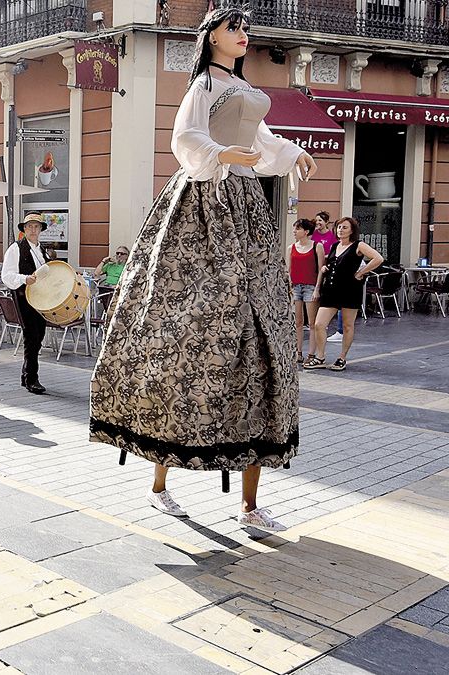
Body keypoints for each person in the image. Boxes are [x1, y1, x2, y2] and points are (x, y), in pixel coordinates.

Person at [89, 7, 318, 533]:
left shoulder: (239, 87)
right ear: (211, 35)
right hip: (203, 200)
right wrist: (220, 155)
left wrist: (292, 151)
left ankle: (250, 504)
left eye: (244, 28)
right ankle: (160, 483)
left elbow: (258, 140)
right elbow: (185, 138)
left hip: (243, 201)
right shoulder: (204, 84)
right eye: (233, 27)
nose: (242, 36)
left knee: (261, 337)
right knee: (184, 331)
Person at [305, 216, 383, 372]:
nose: (341, 230)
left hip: (350, 290)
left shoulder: (358, 245)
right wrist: (325, 269)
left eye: (345, 227)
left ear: (352, 230)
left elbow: (378, 258)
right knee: (319, 324)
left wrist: (361, 272)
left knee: (347, 326)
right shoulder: (335, 246)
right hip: (331, 290)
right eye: (339, 227)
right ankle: (320, 356)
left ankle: (342, 357)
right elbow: (332, 263)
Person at [1, 213, 52, 395]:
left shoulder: (42, 250)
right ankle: (32, 379)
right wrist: (24, 279)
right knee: (31, 336)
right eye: (29, 226)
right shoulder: (15, 248)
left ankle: (26, 375)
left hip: (41, 300)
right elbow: (6, 276)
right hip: (24, 298)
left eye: (36, 227)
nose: (33, 230)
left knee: (38, 336)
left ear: (40, 230)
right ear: (24, 229)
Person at [289, 218, 325, 364]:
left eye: (297, 229)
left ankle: (311, 353)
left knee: (312, 322)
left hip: (311, 286)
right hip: (296, 286)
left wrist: (317, 288)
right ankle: (298, 351)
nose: (294, 231)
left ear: (306, 231)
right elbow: (289, 270)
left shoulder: (317, 246)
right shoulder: (291, 247)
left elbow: (321, 269)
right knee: (298, 321)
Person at [311, 210, 342, 342]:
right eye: (316, 220)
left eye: (320, 220)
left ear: (326, 222)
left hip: (326, 268)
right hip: (314, 267)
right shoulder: (313, 234)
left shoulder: (331, 236)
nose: (318, 223)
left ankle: (325, 323)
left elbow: (333, 253)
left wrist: (323, 256)